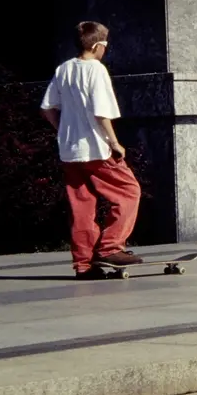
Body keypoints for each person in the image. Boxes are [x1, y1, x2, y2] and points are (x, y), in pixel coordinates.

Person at [40, 21, 144, 280]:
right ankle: (110, 247)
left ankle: (84, 265)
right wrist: (115, 143)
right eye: (105, 46)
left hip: (70, 150)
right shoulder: (96, 70)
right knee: (129, 192)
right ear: (98, 45)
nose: (105, 51)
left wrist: (63, 129)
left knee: (82, 207)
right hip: (97, 150)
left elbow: (46, 107)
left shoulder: (64, 69)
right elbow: (101, 113)